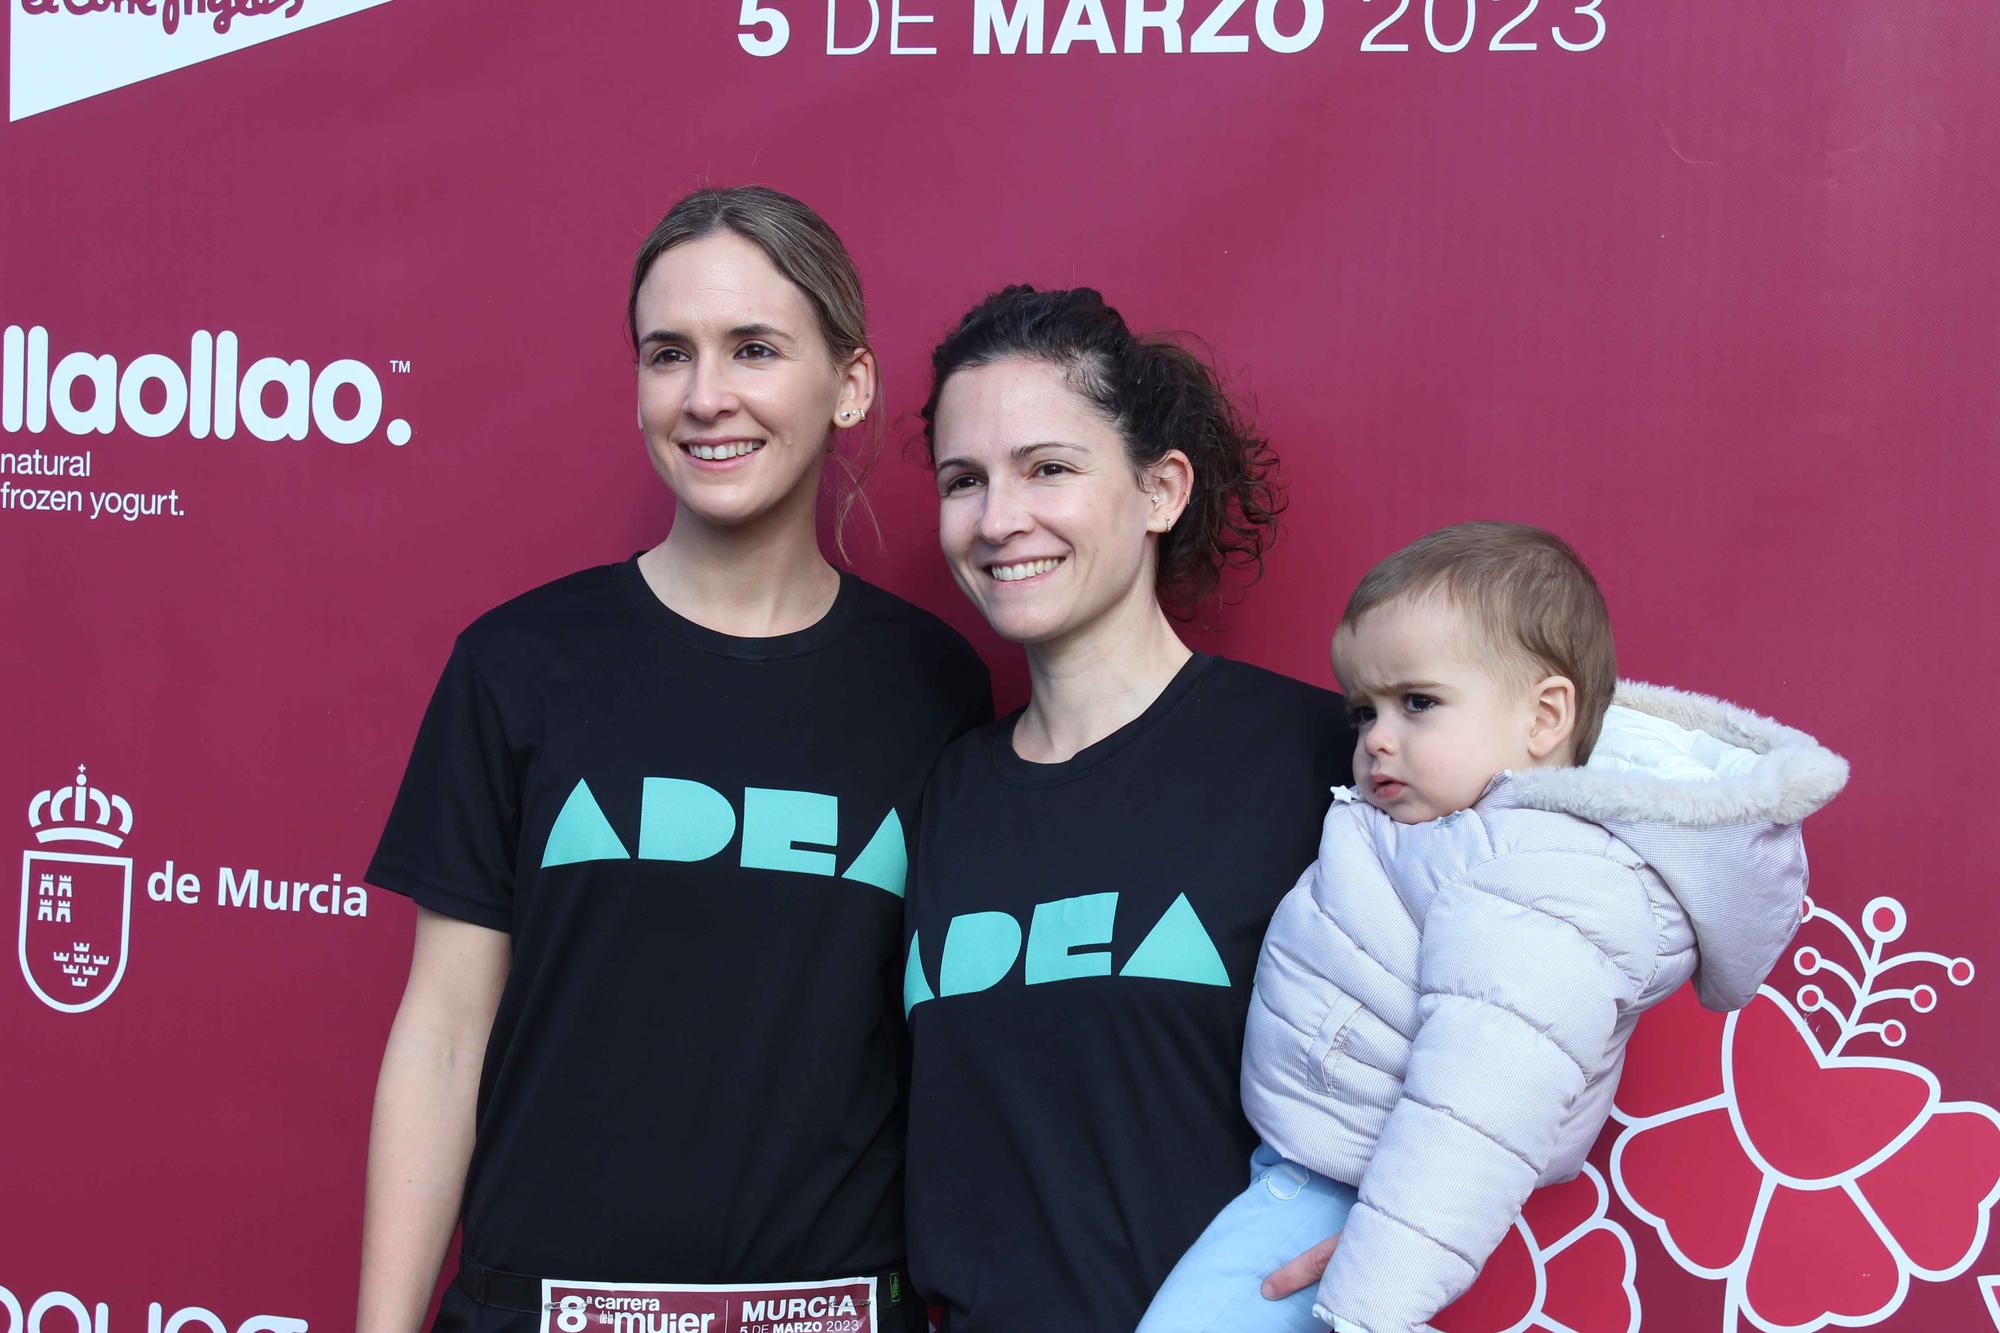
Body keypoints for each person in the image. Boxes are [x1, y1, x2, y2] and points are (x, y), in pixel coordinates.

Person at [355, 186, 991, 1333]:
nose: (705, 397)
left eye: (753, 348)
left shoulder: (936, 687)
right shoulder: (519, 664)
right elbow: (443, 1037)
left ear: (849, 383)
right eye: (667, 354)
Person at [1138, 521, 1848, 1333]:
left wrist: (1373, 1294)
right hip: (1316, 1167)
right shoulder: (1475, 837)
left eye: (1418, 703)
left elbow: (1477, 1109)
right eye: (1363, 710)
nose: (1377, 739)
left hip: (1349, 1195)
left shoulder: (1539, 886)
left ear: (1546, 718)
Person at [900, 284, 1353, 1332]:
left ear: (1159, 490)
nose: (999, 518)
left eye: (1047, 468)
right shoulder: (934, 797)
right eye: (963, 480)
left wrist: (1405, 1222)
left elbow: (1502, 998)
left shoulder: (1316, 759)